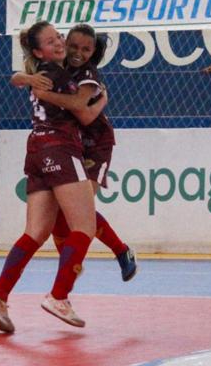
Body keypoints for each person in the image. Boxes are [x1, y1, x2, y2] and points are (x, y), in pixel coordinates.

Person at [0, 21, 108, 333]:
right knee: (84, 226)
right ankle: (59, 296)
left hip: (36, 147)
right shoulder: (58, 75)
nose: (60, 43)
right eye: (52, 41)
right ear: (39, 51)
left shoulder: (43, 71)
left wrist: (25, 78)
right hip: (59, 147)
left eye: (59, 37)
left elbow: (16, 77)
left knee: (35, 231)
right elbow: (82, 109)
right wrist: (101, 100)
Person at [12, 24, 137, 281]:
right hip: (71, 141)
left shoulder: (88, 73)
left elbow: (84, 113)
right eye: (74, 46)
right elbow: (16, 77)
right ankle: (68, 265)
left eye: (86, 49)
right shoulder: (56, 65)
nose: (78, 52)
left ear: (92, 53)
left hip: (95, 141)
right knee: (62, 211)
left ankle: (122, 252)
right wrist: (28, 78)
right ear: (64, 42)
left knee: (79, 208)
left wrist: (100, 100)